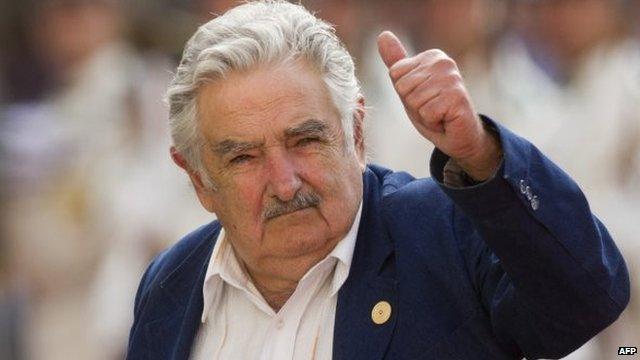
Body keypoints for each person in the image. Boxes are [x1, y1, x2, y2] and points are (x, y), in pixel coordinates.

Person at [126, 1, 630, 359]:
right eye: (243, 159)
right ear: (197, 179)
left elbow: (585, 298)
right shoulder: (172, 284)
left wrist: (481, 152)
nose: (284, 182)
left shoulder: (441, 233)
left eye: (305, 141)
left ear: (357, 132)